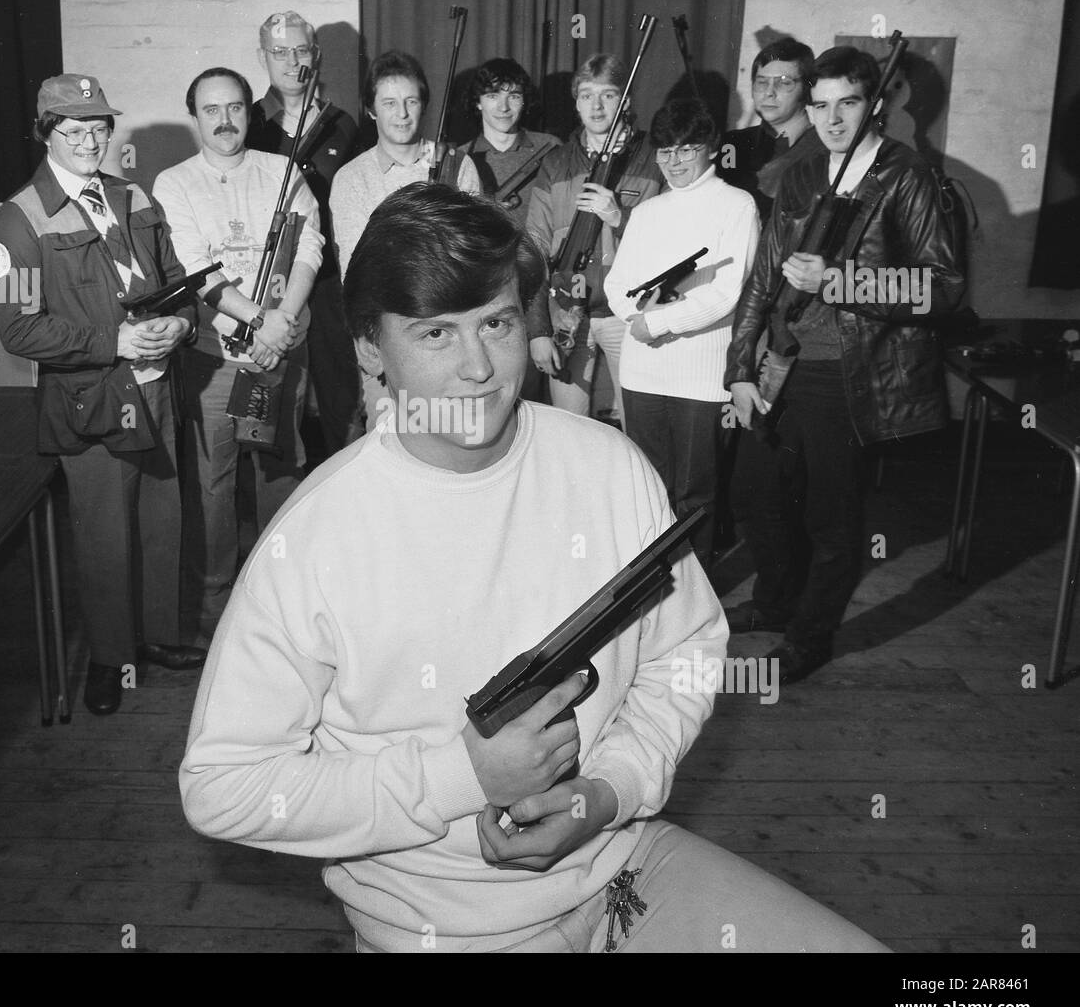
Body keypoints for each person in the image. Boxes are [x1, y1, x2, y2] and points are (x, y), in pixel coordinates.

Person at [180, 182, 889, 954]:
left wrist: (609, 789)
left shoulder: (610, 466)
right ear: (367, 350)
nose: (479, 367)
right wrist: (461, 777)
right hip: (437, 924)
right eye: (435, 334)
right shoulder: (315, 535)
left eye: (497, 322)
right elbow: (224, 788)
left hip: (622, 859)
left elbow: (686, 652)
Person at [725, 45, 963, 683]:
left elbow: (942, 287)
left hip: (848, 374)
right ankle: (776, 602)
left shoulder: (906, 176)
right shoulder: (802, 175)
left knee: (831, 516)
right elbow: (761, 281)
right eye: (821, 105)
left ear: (875, 106)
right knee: (755, 493)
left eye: (847, 104)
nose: (832, 119)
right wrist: (739, 369)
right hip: (783, 364)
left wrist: (842, 280)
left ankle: (811, 635)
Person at [0, 73, 206, 717]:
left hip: (160, 386)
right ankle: (111, 657)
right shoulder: (18, 216)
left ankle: (160, 634)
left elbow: (174, 283)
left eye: (99, 127)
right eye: (72, 128)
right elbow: (18, 327)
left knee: (163, 518)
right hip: (92, 398)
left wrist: (183, 323)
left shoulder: (132, 196)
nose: (89, 140)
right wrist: (116, 343)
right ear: (44, 133)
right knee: (106, 535)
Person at [152, 66, 323, 648]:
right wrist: (257, 320)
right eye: (210, 110)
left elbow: (310, 247)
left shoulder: (285, 171)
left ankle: (284, 614)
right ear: (194, 116)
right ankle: (215, 624)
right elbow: (193, 265)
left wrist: (281, 323)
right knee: (212, 490)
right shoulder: (172, 184)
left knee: (278, 478)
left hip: (280, 354)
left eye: (235, 108)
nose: (224, 121)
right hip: (214, 361)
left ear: (250, 112)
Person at [604, 100, 759, 566]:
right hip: (642, 372)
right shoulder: (649, 211)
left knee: (696, 492)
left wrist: (659, 321)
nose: (674, 161)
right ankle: (655, 589)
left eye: (686, 149)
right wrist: (637, 315)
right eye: (665, 151)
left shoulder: (737, 205)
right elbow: (617, 283)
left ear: (711, 149)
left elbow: (728, 292)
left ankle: (698, 595)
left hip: (700, 376)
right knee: (650, 487)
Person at [331, 48, 481, 427]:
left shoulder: (457, 164)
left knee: (455, 435)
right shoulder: (352, 178)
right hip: (389, 334)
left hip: (452, 330)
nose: (401, 114)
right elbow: (355, 271)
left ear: (424, 105)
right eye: (390, 103)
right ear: (371, 110)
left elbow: (474, 256)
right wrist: (365, 337)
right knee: (389, 437)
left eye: (411, 101)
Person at [247, 10, 362, 459]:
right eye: (279, 52)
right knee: (273, 404)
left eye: (300, 50)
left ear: (314, 55)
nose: (291, 61)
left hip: (331, 281)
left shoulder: (344, 124)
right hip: (273, 283)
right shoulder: (250, 125)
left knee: (342, 398)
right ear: (263, 57)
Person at [526, 53, 660, 426]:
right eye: (586, 95)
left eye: (608, 94)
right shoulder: (556, 163)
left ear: (626, 101)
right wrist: (538, 330)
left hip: (629, 315)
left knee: (638, 427)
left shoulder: (655, 157)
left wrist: (619, 218)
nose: (597, 106)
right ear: (576, 102)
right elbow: (532, 249)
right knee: (570, 432)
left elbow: (671, 241)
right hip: (568, 312)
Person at [461, 57, 561, 400]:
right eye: (492, 95)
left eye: (514, 95)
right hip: (487, 291)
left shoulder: (551, 149)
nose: (503, 106)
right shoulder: (461, 158)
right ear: (477, 102)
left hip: (547, 284)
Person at [718, 37, 823, 224]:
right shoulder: (731, 144)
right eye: (761, 82)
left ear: (807, 90)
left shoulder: (825, 149)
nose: (769, 92)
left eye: (784, 82)